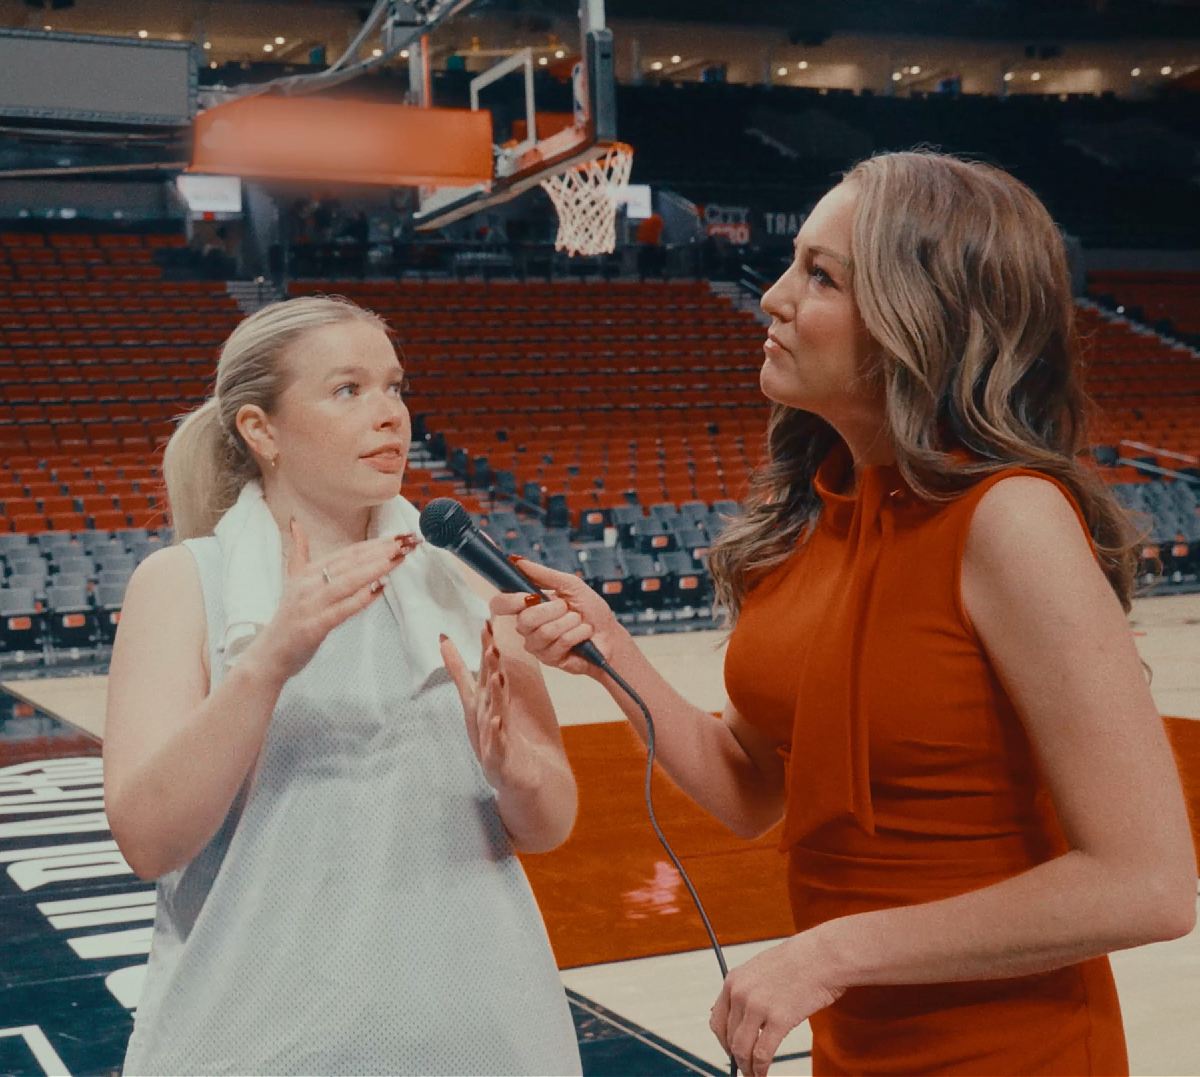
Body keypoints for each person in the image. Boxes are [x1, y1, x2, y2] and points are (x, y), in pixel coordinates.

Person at [487, 150, 1197, 1077]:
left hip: (1013, 1050)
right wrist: (613, 653)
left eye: (819, 274)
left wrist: (831, 951)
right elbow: (751, 791)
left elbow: (1148, 886)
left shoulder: (1008, 518)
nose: (773, 296)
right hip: (853, 1046)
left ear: (924, 318)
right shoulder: (818, 512)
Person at [103, 296, 582, 1076]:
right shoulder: (186, 583)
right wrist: (268, 664)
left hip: (485, 1036)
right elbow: (148, 839)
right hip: (254, 1044)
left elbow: (550, 821)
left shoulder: (466, 575)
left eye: (395, 387)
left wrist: (518, 773)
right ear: (262, 431)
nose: (391, 414)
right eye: (349, 390)